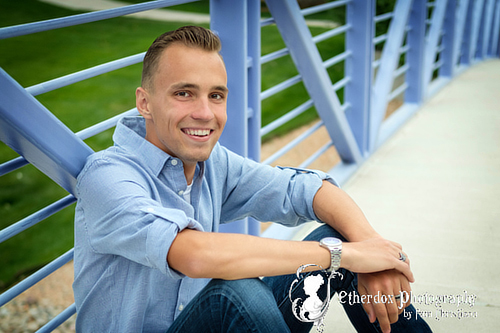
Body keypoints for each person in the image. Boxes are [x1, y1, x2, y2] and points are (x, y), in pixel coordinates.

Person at [73, 26, 431, 333]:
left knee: (341, 237)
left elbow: (307, 189)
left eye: (216, 96)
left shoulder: (211, 164)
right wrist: (344, 256)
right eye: (184, 93)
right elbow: (193, 256)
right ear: (145, 102)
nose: (204, 113)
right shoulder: (107, 177)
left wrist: (369, 248)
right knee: (239, 294)